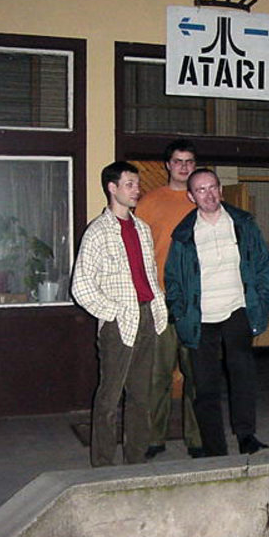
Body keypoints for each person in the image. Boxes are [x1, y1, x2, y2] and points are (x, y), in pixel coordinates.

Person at [165, 168, 269, 456]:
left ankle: (247, 436)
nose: (209, 194)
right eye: (201, 190)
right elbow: (173, 278)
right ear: (191, 196)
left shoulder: (243, 224)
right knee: (205, 385)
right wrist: (180, 312)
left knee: (243, 377)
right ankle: (215, 447)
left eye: (212, 187)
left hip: (238, 309)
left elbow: (263, 264)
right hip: (200, 318)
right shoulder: (184, 234)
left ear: (221, 190)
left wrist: (263, 302)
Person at [71, 161, 167, 467]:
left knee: (141, 397)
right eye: (129, 184)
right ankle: (103, 465)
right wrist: (113, 312)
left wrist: (158, 307)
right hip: (118, 324)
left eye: (137, 184)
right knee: (109, 398)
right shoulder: (98, 232)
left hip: (147, 317)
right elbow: (81, 286)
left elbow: (148, 275)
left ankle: (136, 461)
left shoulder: (142, 229)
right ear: (112, 188)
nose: (137, 190)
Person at [134, 139, 203, 459]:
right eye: (178, 161)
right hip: (160, 300)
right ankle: (153, 437)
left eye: (189, 161)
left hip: (197, 302)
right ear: (167, 165)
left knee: (196, 375)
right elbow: (138, 252)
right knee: (157, 375)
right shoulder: (149, 202)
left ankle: (197, 439)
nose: (184, 167)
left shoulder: (204, 200)